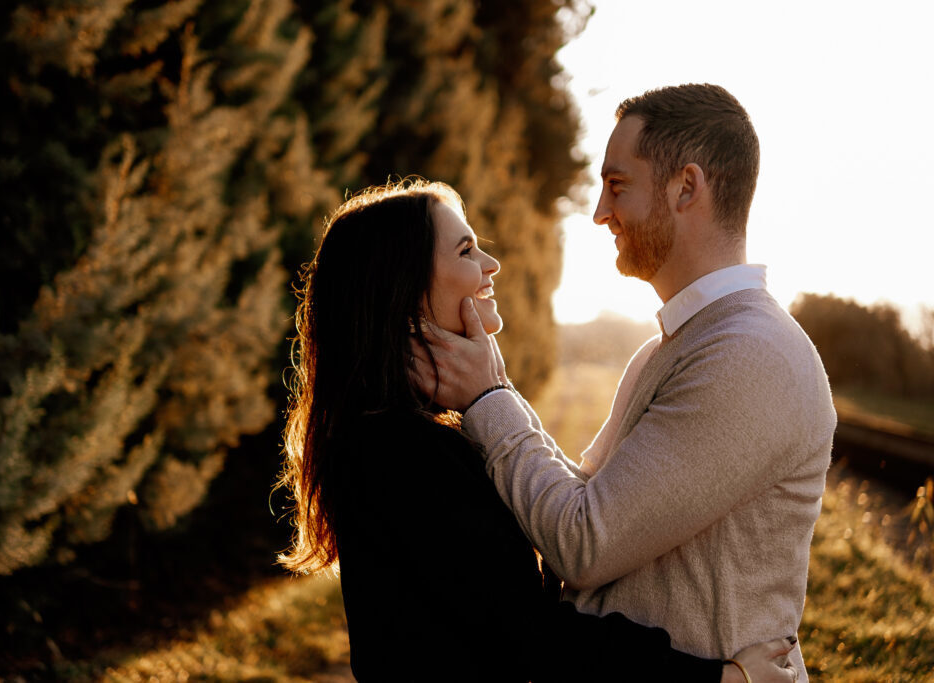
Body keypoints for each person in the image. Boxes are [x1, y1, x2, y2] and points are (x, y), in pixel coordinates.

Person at [277, 177, 798, 682]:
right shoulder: (401, 452)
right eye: (465, 251)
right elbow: (537, 639)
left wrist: (492, 394)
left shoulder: (405, 436)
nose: (491, 264)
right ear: (403, 289)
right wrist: (722, 679)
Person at [413, 84, 836, 682]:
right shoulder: (667, 350)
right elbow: (573, 508)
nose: (600, 213)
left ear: (686, 187)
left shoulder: (749, 354)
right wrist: (494, 387)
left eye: (617, 186)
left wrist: (488, 399)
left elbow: (583, 544)